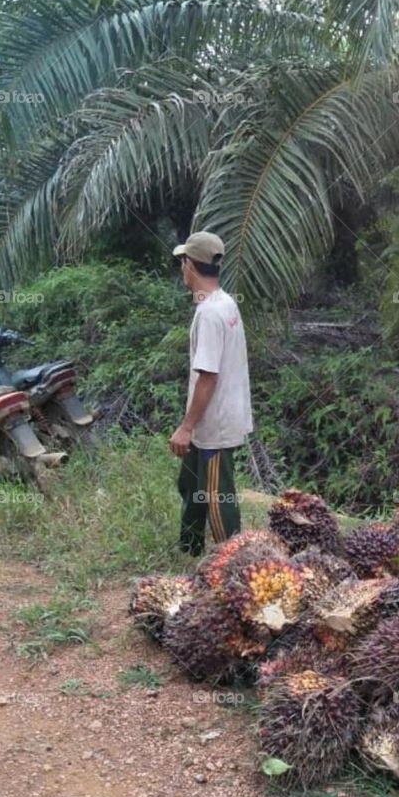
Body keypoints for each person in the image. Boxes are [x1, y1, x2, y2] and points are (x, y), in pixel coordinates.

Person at [170, 231, 253, 555]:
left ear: (190, 265)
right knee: (190, 484)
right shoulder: (225, 303)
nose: (181, 269)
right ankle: (189, 549)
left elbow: (207, 377)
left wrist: (186, 426)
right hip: (211, 417)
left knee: (218, 497)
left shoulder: (209, 314)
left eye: (182, 262)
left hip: (214, 422)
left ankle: (233, 562)